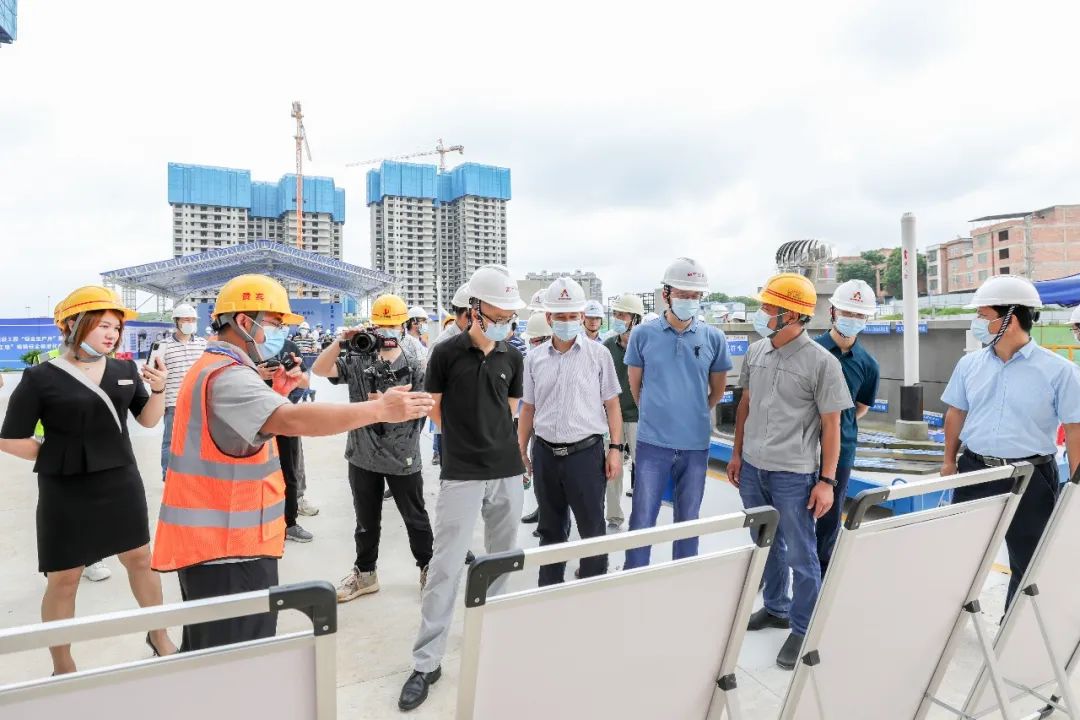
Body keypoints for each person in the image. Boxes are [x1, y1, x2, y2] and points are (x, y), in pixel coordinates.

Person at [150, 274, 433, 652]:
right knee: (234, 661)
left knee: (222, 654)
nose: (278, 334)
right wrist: (379, 409)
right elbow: (293, 420)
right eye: (274, 323)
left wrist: (277, 392)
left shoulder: (218, 367)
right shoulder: (228, 375)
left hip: (224, 544)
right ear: (244, 322)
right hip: (226, 550)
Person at [0, 286, 178, 673]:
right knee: (64, 577)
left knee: (140, 560)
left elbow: (148, 420)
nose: (112, 334)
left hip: (120, 480)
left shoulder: (125, 371)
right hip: (65, 487)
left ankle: (159, 635)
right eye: (102, 325)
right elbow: (10, 438)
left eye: (116, 327)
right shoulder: (40, 377)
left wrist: (160, 389)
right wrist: (57, 454)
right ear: (72, 326)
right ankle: (62, 663)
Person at [399, 265, 526, 711]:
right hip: (462, 472)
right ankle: (426, 661)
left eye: (510, 314)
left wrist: (494, 441)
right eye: (498, 313)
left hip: (507, 469)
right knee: (446, 566)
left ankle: (491, 635)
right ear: (475, 309)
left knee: (502, 558)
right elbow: (434, 408)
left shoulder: (512, 356)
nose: (505, 320)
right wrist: (464, 438)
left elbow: (510, 409)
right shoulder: (446, 353)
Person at [728, 273, 851, 670]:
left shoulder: (822, 363)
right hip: (753, 468)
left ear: (792, 314)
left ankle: (803, 628)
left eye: (769, 307)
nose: (762, 313)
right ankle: (776, 607)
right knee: (766, 544)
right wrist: (737, 454)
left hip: (794, 474)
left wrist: (827, 482)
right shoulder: (756, 351)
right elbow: (745, 405)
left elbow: (831, 425)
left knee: (801, 552)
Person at [942, 275, 1080, 608]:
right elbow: (955, 413)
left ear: (1011, 318)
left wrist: (1076, 487)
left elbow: (1075, 429)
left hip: (1032, 476)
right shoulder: (969, 365)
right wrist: (948, 462)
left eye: (983, 315)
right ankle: (952, 624)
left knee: (1028, 560)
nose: (978, 322)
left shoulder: (1060, 371)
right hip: (975, 471)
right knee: (962, 557)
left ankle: (1014, 626)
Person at [312, 294, 434, 601]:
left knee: (416, 517)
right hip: (362, 452)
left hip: (403, 454)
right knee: (365, 521)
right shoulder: (360, 352)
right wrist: (341, 341)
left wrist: (388, 408)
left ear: (404, 325)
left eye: (393, 325)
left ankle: (428, 568)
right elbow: (320, 370)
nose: (387, 331)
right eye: (380, 325)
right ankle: (365, 574)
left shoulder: (417, 358)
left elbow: (426, 405)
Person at [623, 257, 732, 569]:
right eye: (683, 294)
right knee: (642, 516)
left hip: (695, 445)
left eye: (695, 295)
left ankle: (684, 574)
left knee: (688, 517)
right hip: (652, 442)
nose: (689, 300)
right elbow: (635, 386)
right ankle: (635, 573)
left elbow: (717, 390)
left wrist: (693, 411)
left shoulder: (713, 338)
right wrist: (658, 412)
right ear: (666, 294)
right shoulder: (643, 335)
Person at [518, 278, 623, 585]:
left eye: (572, 316)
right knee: (550, 529)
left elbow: (612, 405)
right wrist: (520, 449)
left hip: (585, 455)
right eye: (560, 316)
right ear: (548, 317)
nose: (566, 322)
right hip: (545, 454)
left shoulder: (598, 355)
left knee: (592, 528)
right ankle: (549, 588)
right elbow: (528, 408)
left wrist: (615, 449)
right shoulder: (534, 358)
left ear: (581, 316)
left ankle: (592, 586)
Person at [813, 280, 880, 576]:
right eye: (847, 312)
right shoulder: (810, 351)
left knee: (829, 515)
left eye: (859, 315)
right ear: (832, 312)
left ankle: (822, 572)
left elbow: (860, 407)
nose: (853, 319)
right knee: (794, 512)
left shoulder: (868, 364)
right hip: (802, 447)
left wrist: (839, 428)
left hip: (842, 450)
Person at [258, 336, 317, 541]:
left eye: (279, 322)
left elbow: (306, 380)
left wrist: (295, 376)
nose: (276, 326)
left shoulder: (290, 347)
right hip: (256, 417)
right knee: (258, 473)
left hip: (285, 413)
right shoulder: (247, 349)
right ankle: (260, 522)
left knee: (289, 471)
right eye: (271, 321)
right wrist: (257, 374)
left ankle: (289, 522)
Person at [603, 292, 645, 529]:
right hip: (613, 418)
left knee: (644, 469)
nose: (618, 319)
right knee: (613, 469)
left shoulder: (646, 345)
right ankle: (614, 516)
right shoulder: (608, 346)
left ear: (635, 319)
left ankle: (643, 515)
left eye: (623, 315)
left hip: (640, 417)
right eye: (616, 314)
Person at [160, 303, 208, 481]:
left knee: (198, 440)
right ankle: (168, 476)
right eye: (186, 319)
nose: (190, 323)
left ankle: (194, 475)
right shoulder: (163, 346)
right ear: (177, 321)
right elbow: (154, 373)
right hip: (173, 402)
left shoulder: (203, 344)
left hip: (198, 402)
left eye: (193, 320)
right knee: (170, 441)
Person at [429, 282, 472, 466]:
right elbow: (432, 394)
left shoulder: (480, 340)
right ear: (467, 315)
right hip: (451, 429)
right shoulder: (442, 346)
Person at [520, 312, 552, 530]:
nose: (531, 344)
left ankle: (550, 518)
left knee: (551, 478)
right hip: (535, 423)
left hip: (551, 430)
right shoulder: (532, 360)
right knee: (539, 473)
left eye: (534, 340)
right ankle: (542, 510)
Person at [402, 306, 430, 371]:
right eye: (424, 321)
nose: (426, 324)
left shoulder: (420, 341)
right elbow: (422, 366)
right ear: (414, 322)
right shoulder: (408, 341)